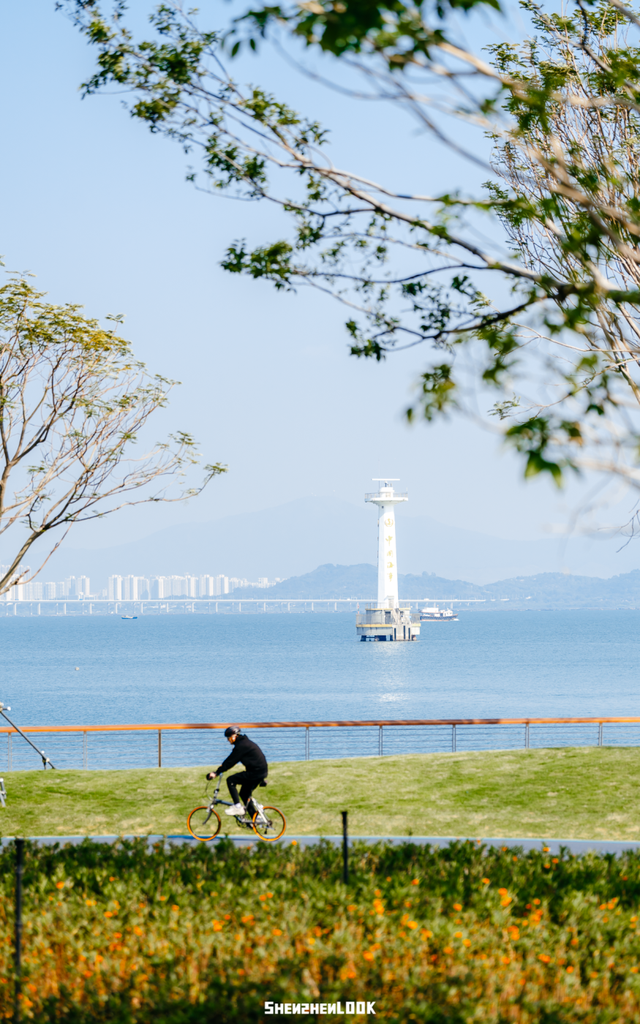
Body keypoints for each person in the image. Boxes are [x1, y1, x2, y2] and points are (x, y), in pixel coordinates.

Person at [207, 726, 268, 818]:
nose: (228, 740)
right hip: (260, 772)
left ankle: (238, 807)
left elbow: (230, 761)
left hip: (255, 773)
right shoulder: (245, 743)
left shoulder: (241, 746)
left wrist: (216, 772)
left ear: (234, 736)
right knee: (244, 794)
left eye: (228, 738)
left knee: (231, 780)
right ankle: (255, 819)